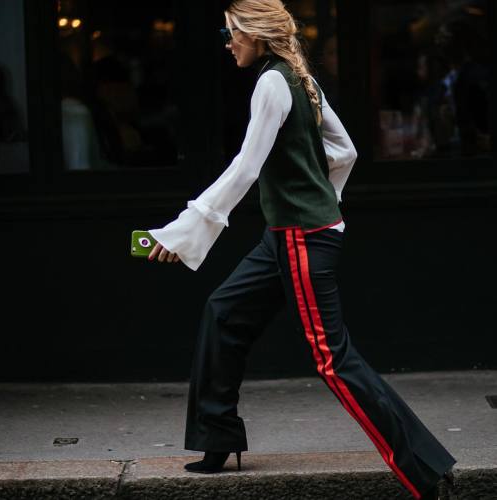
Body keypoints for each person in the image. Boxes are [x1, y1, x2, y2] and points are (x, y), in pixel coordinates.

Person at [146, 1, 456, 498]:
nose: (226, 42)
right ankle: (217, 438)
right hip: (288, 235)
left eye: (231, 33)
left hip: (300, 239)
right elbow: (346, 150)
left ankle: (426, 469)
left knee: (334, 362)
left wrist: (185, 231)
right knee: (223, 312)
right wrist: (320, 197)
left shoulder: (273, 81)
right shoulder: (299, 77)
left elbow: (247, 167)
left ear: (255, 34)